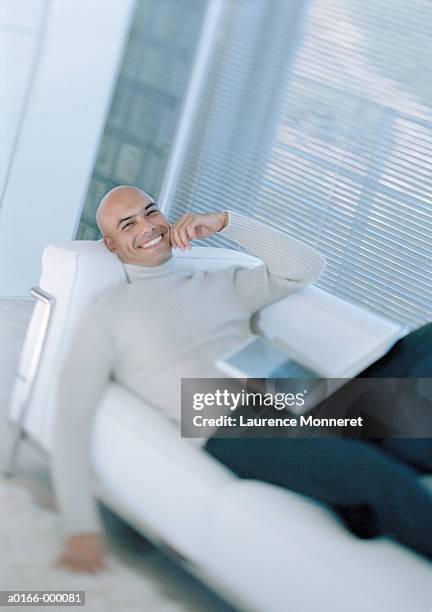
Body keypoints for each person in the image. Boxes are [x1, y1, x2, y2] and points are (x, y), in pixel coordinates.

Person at [51, 185, 432, 573]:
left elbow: (306, 266)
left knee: (425, 347)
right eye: (128, 224)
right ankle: (369, 485)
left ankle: (360, 493)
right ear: (112, 246)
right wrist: (79, 525)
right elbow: (71, 413)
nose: (148, 227)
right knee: (380, 475)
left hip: (299, 394)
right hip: (235, 423)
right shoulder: (109, 313)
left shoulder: (222, 282)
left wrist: (226, 221)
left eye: (151, 213)